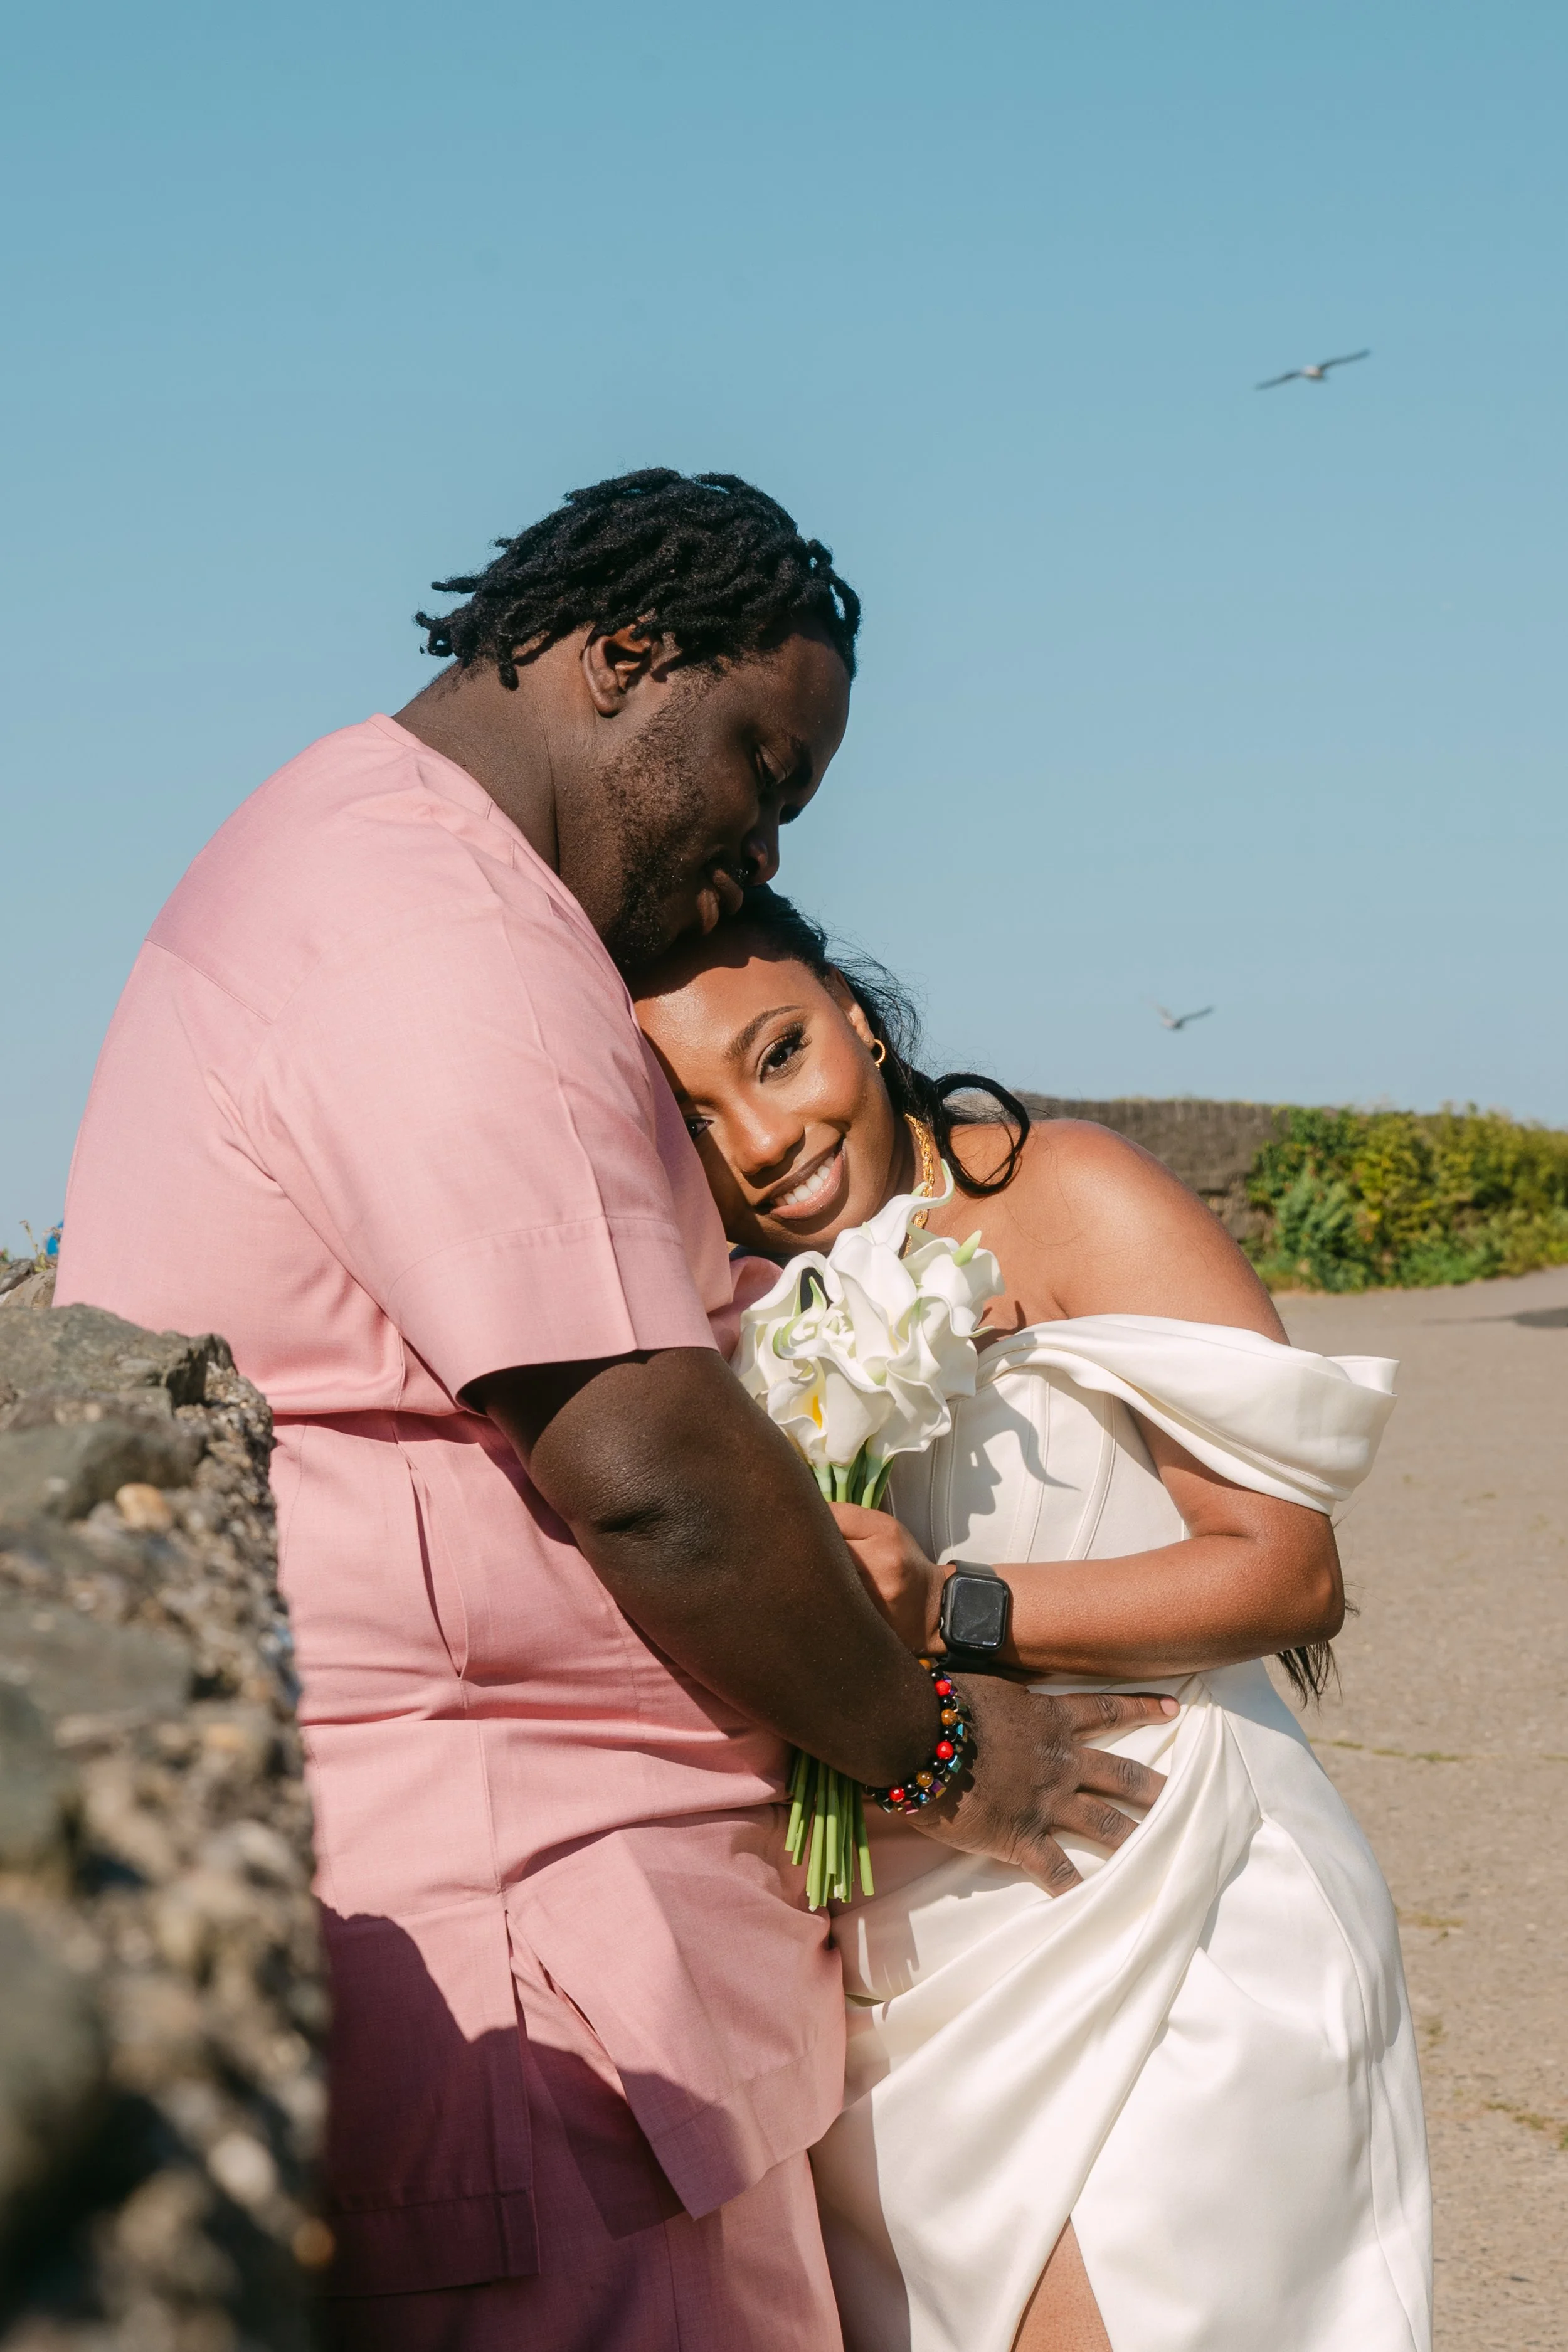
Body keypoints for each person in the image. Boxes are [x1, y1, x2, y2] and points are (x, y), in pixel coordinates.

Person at [53, 469, 1173, 2352]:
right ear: (620, 653)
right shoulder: (435, 940)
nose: (757, 846)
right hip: (538, 1967)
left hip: (577, 1944)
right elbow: (650, 1475)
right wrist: (929, 1752)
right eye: (760, 764)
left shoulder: (378, 858)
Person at [633, 886, 1434, 2352]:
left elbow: (1285, 1570)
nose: (760, 1143)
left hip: (1160, 1893)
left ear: (857, 1019)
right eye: (688, 1119)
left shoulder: (1065, 1193)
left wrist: (947, 1606)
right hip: (904, 1970)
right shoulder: (718, 1316)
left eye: (776, 1056)